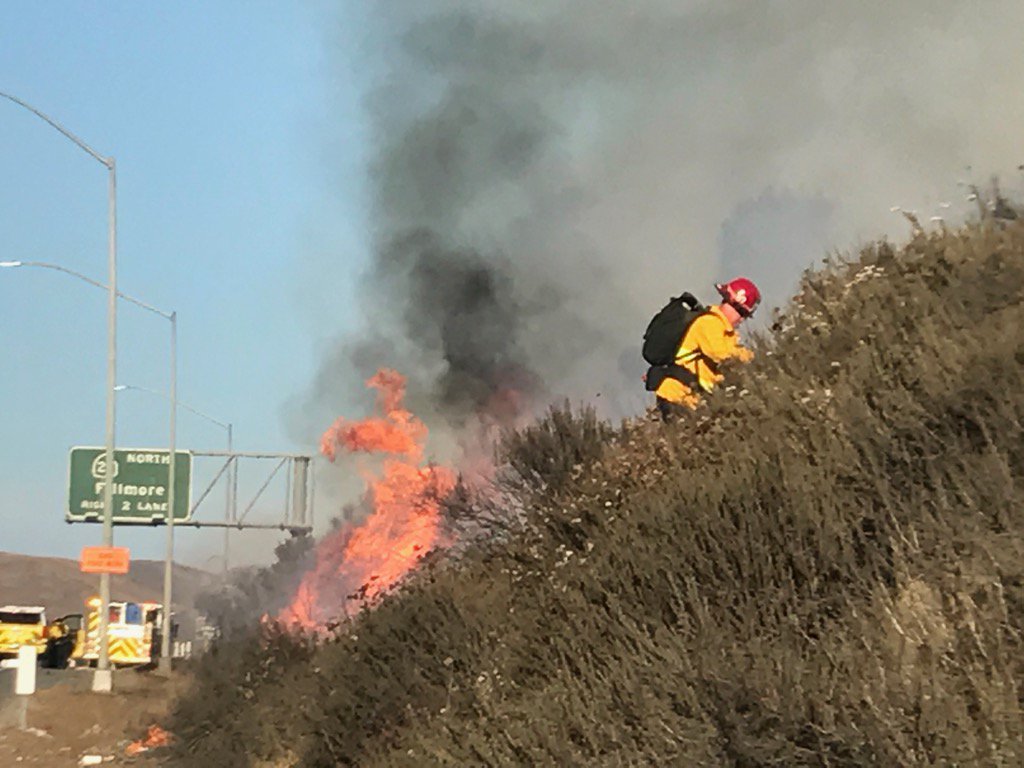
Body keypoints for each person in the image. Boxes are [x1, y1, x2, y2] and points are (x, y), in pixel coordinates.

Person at [649, 277, 760, 420]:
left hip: (690, 403)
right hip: (676, 398)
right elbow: (721, 354)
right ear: (734, 305)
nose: (742, 320)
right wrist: (753, 358)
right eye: (743, 313)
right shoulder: (709, 323)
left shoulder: (723, 331)